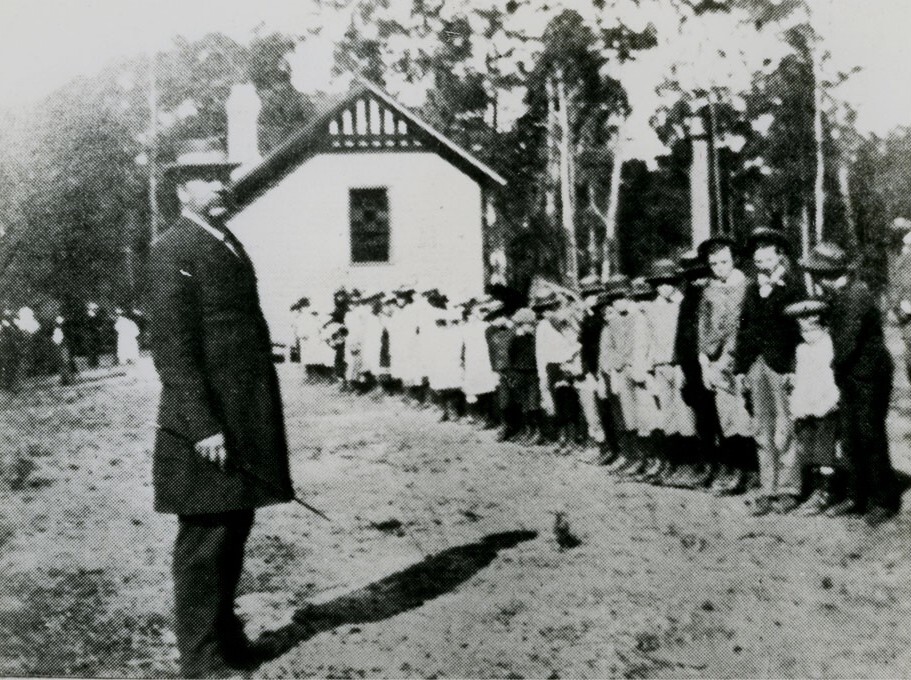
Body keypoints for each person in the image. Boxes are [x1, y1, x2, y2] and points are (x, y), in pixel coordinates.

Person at [147, 137, 294, 677]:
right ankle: (202, 657)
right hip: (207, 423)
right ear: (182, 189)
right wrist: (203, 424)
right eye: (209, 177)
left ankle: (226, 638)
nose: (222, 184)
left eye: (223, 174)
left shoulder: (223, 239)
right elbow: (174, 349)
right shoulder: (174, 250)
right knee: (206, 541)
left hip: (243, 414)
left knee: (234, 529)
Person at [801, 242, 900, 526]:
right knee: (850, 437)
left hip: (869, 376)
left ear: (829, 273)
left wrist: (828, 366)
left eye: (818, 274)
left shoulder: (856, 295)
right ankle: (856, 496)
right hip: (851, 375)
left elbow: (846, 343)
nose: (817, 281)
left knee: (870, 436)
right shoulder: (840, 294)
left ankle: (884, 499)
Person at [733, 228, 803, 516]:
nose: (760, 256)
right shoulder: (751, 289)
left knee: (785, 428)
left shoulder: (793, 287)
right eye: (756, 251)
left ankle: (789, 489)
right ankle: (768, 488)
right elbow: (744, 330)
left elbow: (800, 330)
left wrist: (794, 368)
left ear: (779, 254)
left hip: (781, 366)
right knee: (761, 429)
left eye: (766, 249)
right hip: (755, 366)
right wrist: (740, 368)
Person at [698, 237, 754, 497]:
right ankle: (734, 468)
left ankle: (749, 471)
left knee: (744, 416)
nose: (719, 268)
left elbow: (746, 327)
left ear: (734, 260)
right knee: (726, 417)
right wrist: (704, 359)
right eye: (714, 264)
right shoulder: (708, 290)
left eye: (724, 262)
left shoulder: (746, 287)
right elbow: (704, 325)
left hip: (739, 359)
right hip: (716, 361)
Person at [782, 299, 844, 516]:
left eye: (813, 330)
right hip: (807, 402)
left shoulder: (829, 346)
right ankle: (815, 488)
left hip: (826, 403)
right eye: (804, 331)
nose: (808, 335)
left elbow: (832, 377)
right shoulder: (801, 350)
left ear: (824, 327)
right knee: (807, 446)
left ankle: (827, 491)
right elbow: (801, 377)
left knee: (825, 447)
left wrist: (832, 400)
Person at [641, 259, 697, 485]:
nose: (664, 287)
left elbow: (685, 339)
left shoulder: (682, 305)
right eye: (659, 283)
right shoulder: (651, 308)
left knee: (686, 416)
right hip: (660, 366)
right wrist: (650, 370)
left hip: (679, 366)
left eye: (669, 282)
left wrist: (684, 366)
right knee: (668, 416)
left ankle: (691, 465)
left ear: (675, 282)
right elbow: (648, 340)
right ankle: (674, 464)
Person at [669, 250, 718, 489]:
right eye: (691, 276)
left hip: (709, 363)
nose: (697, 280)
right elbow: (680, 335)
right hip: (691, 366)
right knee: (701, 417)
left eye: (700, 275)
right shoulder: (687, 299)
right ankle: (707, 464)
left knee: (718, 417)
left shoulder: (711, 294)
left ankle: (723, 466)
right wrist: (679, 364)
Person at [51, 315, 75, 385]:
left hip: (64, 347)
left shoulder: (65, 330)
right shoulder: (56, 330)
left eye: (60, 323)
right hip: (59, 347)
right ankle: (64, 379)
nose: (59, 324)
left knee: (66, 363)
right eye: (58, 323)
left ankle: (68, 379)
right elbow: (55, 339)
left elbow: (64, 339)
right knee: (61, 363)